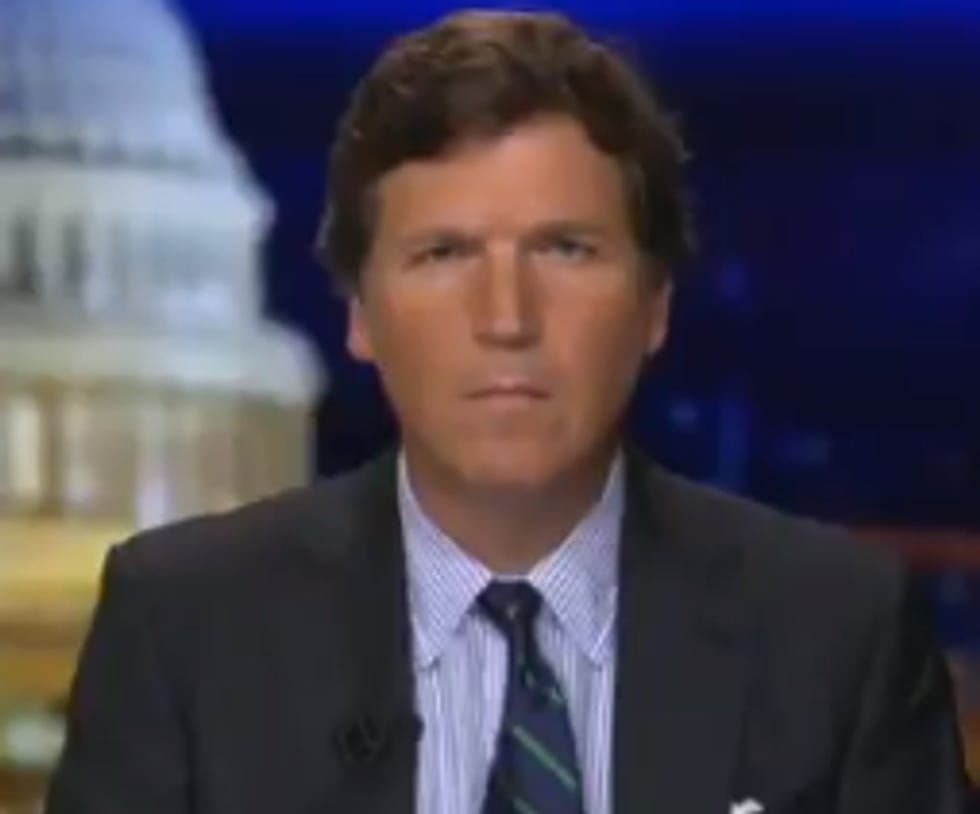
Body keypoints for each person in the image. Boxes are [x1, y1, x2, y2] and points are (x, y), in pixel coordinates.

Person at [46, 10, 970, 814]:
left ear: (655, 304)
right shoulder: (185, 631)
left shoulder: (840, 636)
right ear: (360, 315)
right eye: (444, 254)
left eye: (565, 249)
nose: (506, 318)